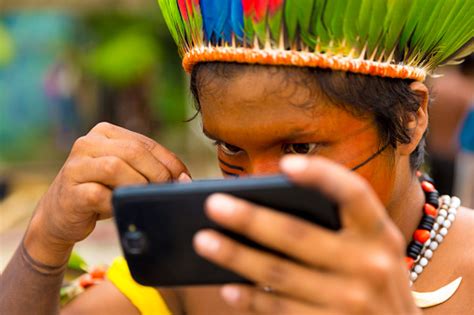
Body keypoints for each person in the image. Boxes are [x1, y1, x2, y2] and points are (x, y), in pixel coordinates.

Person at [1, 1, 473, 314]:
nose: (258, 182)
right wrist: (43, 243)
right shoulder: (198, 272)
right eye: (231, 148)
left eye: (300, 148)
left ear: (411, 119)